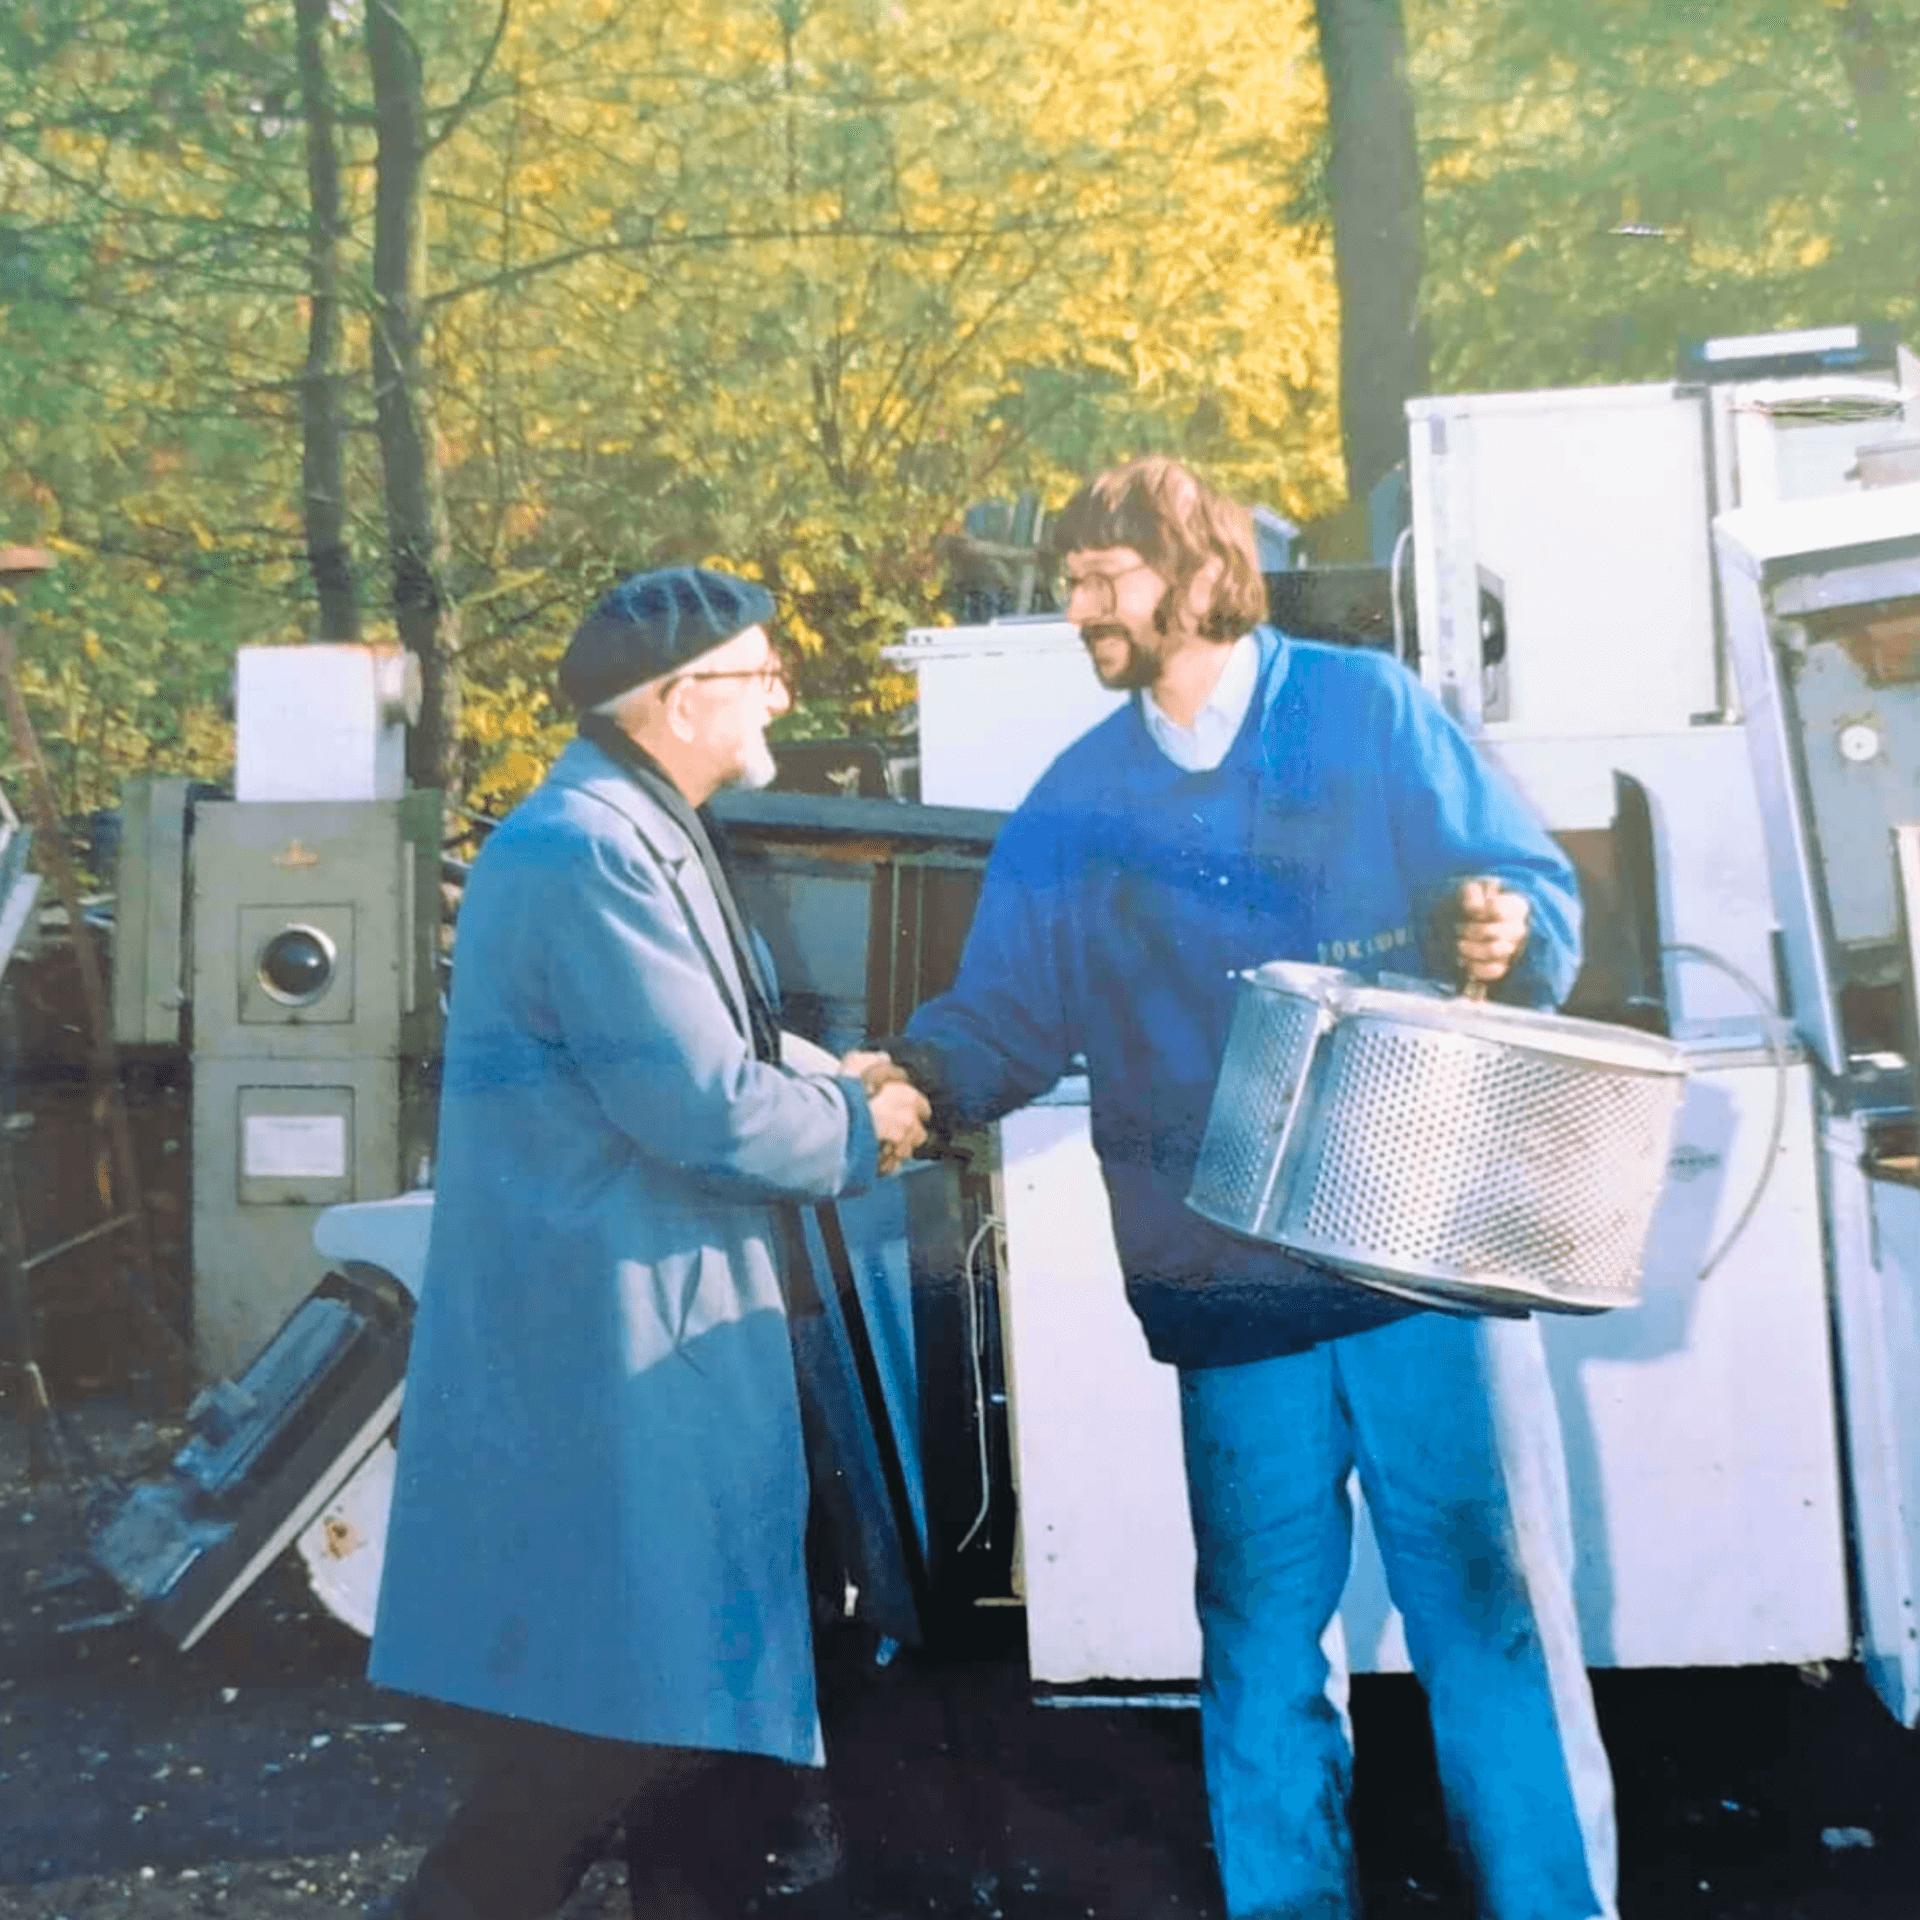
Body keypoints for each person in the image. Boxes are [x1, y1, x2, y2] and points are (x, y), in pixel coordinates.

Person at [872, 459, 1617, 1920]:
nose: (1078, 605)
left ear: (1201, 575)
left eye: (1105, 576)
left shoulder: (1365, 712)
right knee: (1262, 1643)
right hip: (1228, 1285)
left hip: (1419, 1267)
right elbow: (1006, 1010)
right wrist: (908, 1088)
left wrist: (1499, 931)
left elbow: (1521, 892)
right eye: (1073, 580)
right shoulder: (1080, 801)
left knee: (1491, 1621)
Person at [367, 565, 930, 1920]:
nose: (783, 693)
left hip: (649, 1336)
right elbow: (704, 1107)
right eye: (760, 674)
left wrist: (832, 1077)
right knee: (608, 1742)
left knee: (698, 1733)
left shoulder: (628, 824)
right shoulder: (593, 851)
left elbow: (713, 1040)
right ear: (680, 700)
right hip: (617, 1358)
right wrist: (873, 1130)